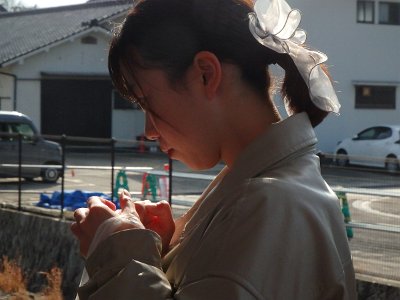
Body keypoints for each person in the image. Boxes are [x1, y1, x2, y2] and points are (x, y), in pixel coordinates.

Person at [70, 0, 357, 298]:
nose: (149, 132)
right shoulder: (273, 189)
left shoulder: (268, 202)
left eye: (147, 102)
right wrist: (163, 249)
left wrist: (118, 250)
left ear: (205, 74)